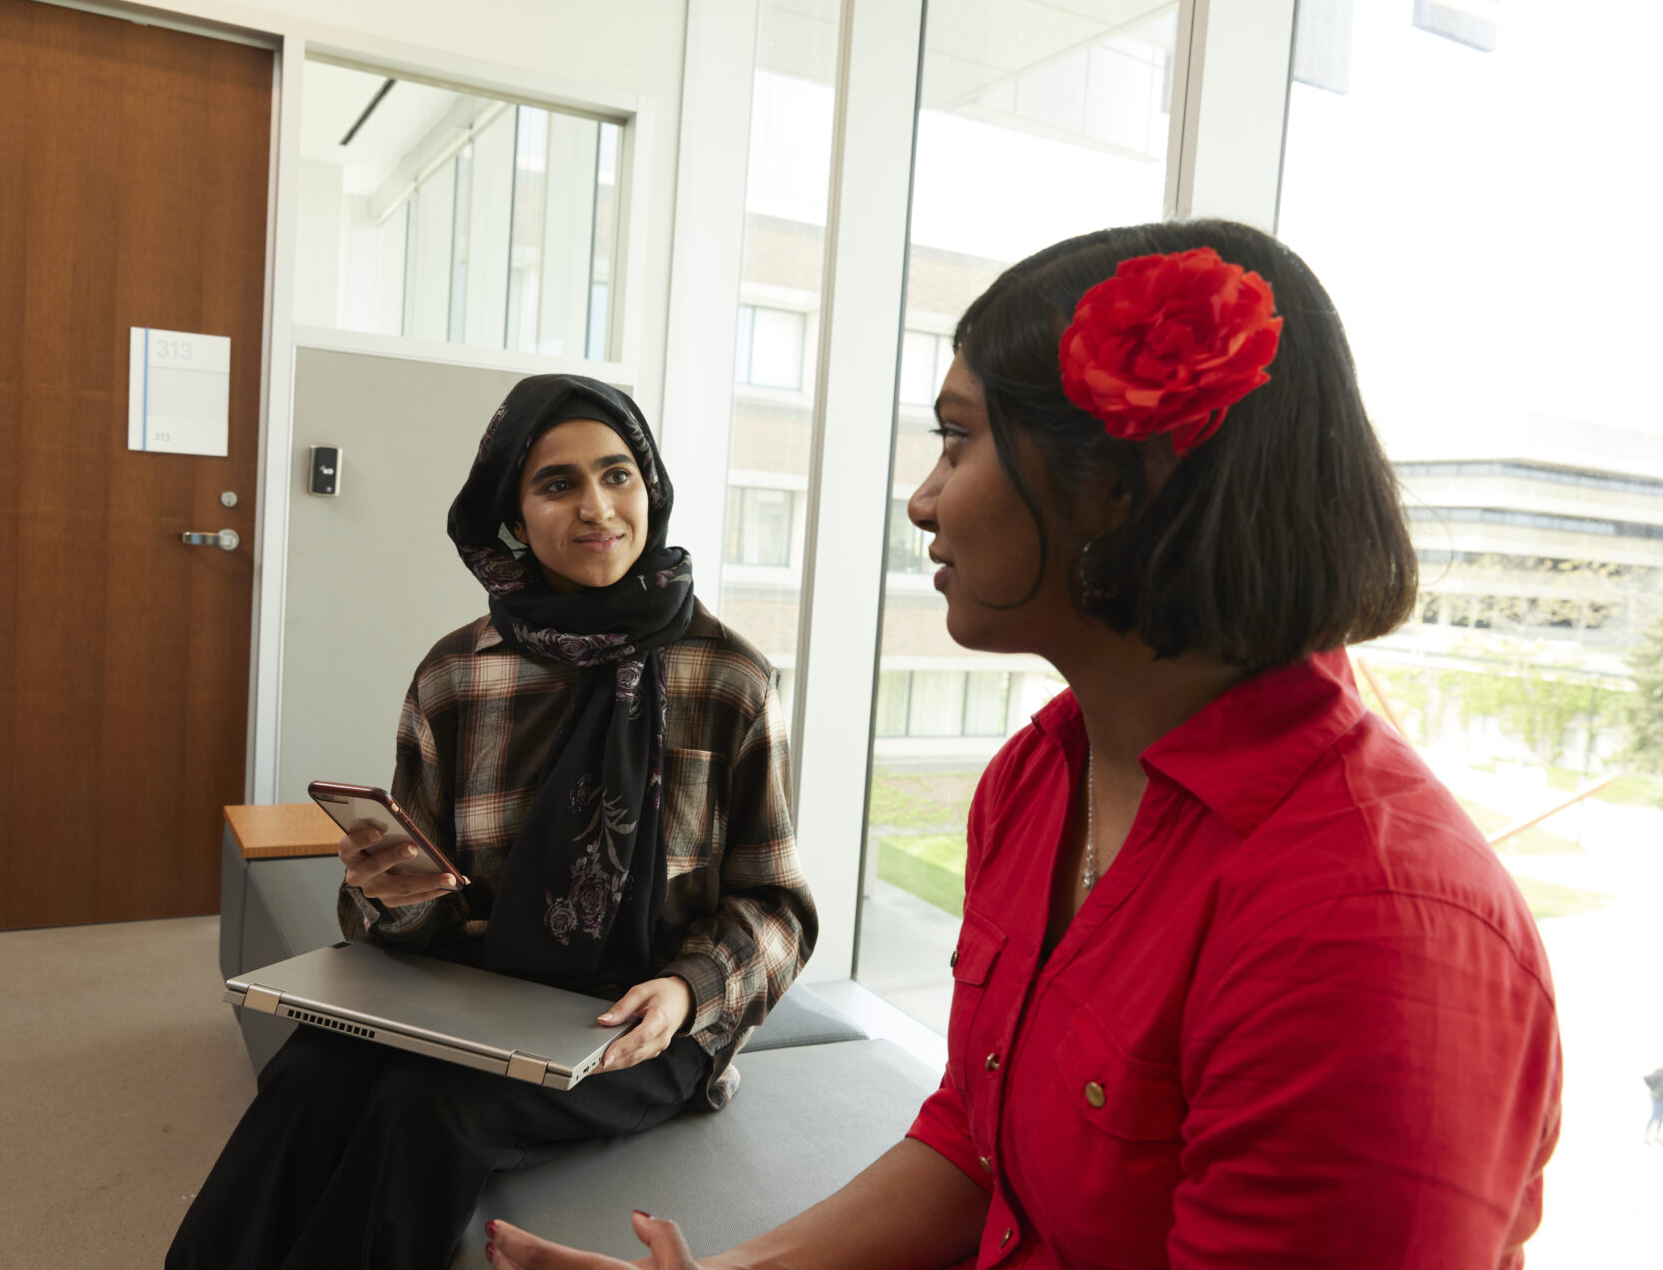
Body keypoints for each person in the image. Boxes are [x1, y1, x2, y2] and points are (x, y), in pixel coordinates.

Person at [484, 220, 1563, 1269]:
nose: (921, 499)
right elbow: (976, 1138)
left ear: (1116, 486)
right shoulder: (1041, 779)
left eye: (959, 439)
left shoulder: (1369, 932)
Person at [168, 374, 816, 1269]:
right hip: (479, 986)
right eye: (558, 485)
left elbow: (776, 905)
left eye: (618, 474)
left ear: (651, 488)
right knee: (312, 1072)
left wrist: (688, 991)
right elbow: (413, 911)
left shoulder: (728, 678)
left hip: (638, 1017)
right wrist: (390, 894)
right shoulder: (457, 676)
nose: (598, 508)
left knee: (425, 1106)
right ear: (512, 513)